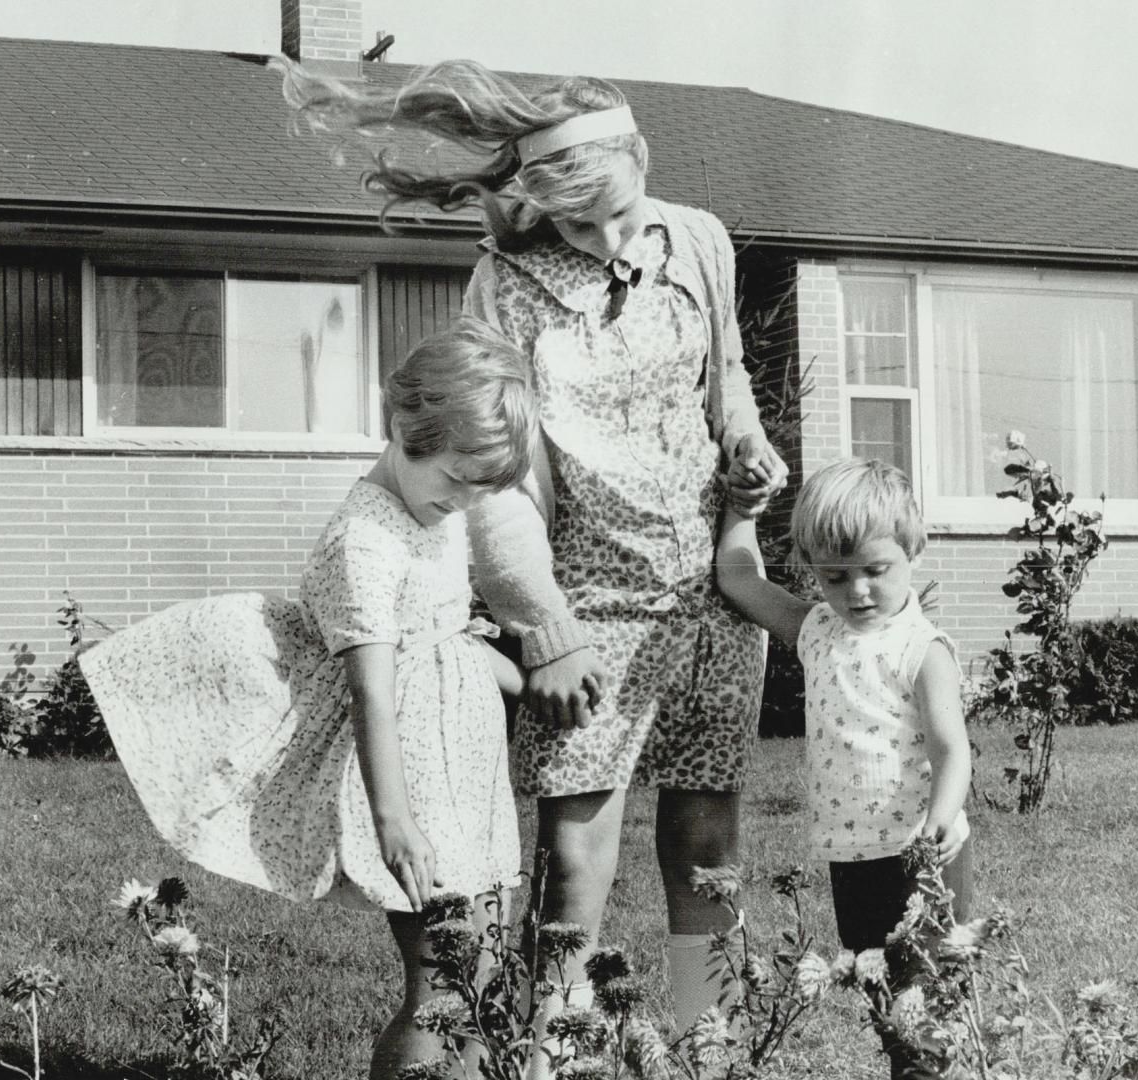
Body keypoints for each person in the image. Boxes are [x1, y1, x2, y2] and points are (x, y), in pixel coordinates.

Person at [277, 57, 789, 1049]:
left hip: (713, 593)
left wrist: (745, 437)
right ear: (537, 204)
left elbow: (722, 370)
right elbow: (500, 480)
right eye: (576, 223)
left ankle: (702, 1028)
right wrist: (544, 629)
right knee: (573, 846)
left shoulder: (697, 240)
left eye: (615, 213)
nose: (603, 239)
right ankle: (557, 1034)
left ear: (642, 160)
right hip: (584, 599)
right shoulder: (504, 284)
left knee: (706, 835)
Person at [80, 316, 537, 1079]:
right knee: (443, 985)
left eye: (480, 488)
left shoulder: (431, 515)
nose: (464, 501)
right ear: (402, 429)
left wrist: (525, 681)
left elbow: (442, 635)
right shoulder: (364, 543)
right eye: (457, 479)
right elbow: (372, 695)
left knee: (480, 974)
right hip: (417, 789)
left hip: (465, 781)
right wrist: (395, 822)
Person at [716, 457, 973, 1080]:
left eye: (874, 571)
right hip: (852, 855)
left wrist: (939, 824)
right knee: (886, 1009)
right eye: (834, 576)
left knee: (932, 1012)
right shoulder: (817, 631)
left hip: (922, 857)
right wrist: (742, 508)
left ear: (913, 548)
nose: (856, 592)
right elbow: (741, 582)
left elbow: (951, 748)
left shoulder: (922, 649)